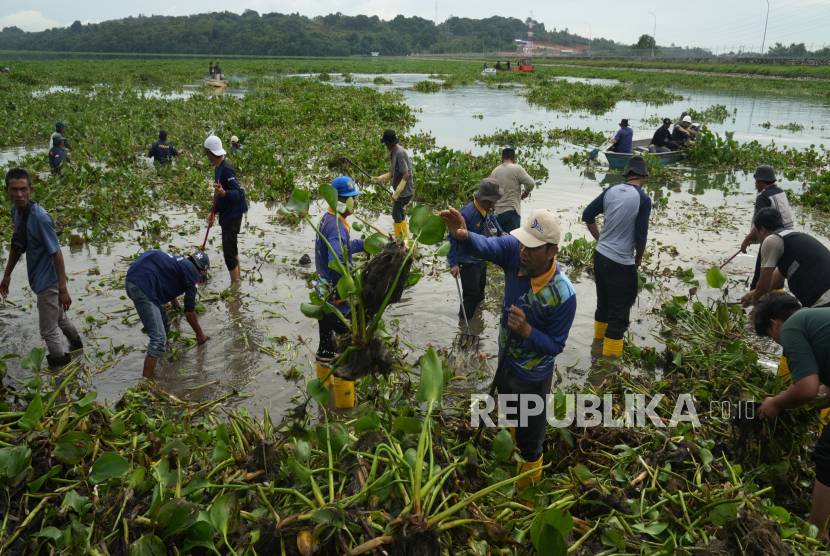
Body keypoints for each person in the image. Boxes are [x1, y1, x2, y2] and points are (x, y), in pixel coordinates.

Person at [440, 207, 576, 493]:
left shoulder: (563, 294)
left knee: (531, 443)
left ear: (552, 251)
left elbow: (556, 345)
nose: (524, 250)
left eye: (533, 247)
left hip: (533, 376)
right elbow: (488, 246)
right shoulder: (516, 252)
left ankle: (527, 498)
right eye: (523, 242)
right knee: (512, 416)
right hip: (506, 362)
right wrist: (463, 236)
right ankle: (513, 449)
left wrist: (528, 331)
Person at [754, 292, 830, 542]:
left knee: (827, 454)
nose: (779, 343)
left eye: (772, 338)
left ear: (775, 324)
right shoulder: (816, 317)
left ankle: (816, 533)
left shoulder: (792, 327)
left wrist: (776, 402)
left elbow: (806, 389)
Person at [1, 168, 83, 367]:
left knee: (48, 330)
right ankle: (78, 349)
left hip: (49, 281)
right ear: (7, 191)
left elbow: (57, 253)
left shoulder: (41, 217)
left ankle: (60, 371)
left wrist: (63, 289)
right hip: (40, 278)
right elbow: (18, 245)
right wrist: (7, 276)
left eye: (23, 189)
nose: (19, 194)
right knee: (61, 319)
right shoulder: (16, 212)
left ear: (31, 190)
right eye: (14, 190)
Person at [581, 155, 652, 358]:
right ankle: (607, 368)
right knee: (619, 317)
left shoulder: (611, 190)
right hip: (620, 262)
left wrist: (600, 239)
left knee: (603, 306)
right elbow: (640, 236)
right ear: (643, 176)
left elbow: (587, 215)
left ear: (627, 174)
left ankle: (597, 349)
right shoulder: (643, 199)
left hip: (600, 255)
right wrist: (639, 257)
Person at [315, 176, 365, 409]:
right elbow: (338, 264)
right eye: (353, 199)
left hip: (323, 297)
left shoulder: (328, 219)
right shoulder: (336, 227)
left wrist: (364, 244)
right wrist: (350, 291)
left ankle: (323, 400)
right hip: (338, 300)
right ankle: (344, 413)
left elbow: (343, 248)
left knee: (326, 347)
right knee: (345, 353)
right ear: (342, 200)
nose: (356, 203)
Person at [125, 250, 209, 379]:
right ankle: (146, 384)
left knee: (165, 323)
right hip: (142, 286)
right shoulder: (194, 275)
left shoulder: (180, 262)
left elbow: (169, 277)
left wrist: (175, 303)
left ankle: (159, 355)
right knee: (158, 339)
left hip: (132, 278)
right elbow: (189, 311)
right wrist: (199, 333)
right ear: (202, 271)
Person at [741, 208, 830, 309]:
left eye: (757, 234)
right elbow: (776, 277)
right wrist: (752, 294)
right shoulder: (791, 238)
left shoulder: (771, 240)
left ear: (762, 230)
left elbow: (763, 286)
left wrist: (755, 299)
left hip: (824, 300)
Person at [448, 178, 505, 319]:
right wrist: (454, 264)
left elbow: (493, 219)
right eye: (495, 199)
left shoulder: (488, 208)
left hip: (481, 257)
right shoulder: (467, 214)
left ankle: (477, 317)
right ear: (488, 199)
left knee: (480, 291)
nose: (496, 202)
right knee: (471, 295)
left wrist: (501, 232)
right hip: (467, 261)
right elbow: (452, 238)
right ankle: (464, 323)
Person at [740, 165, 794, 291]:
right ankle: (774, 303)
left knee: (760, 277)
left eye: (757, 181)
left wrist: (746, 240)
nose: (755, 183)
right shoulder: (780, 192)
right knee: (777, 276)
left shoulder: (763, 198)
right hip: (788, 237)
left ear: (761, 181)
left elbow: (761, 223)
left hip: (772, 239)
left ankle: (756, 302)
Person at [204, 136, 248, 285]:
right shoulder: (218, 169)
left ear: (209, 152)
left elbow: (236, 192)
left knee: (229, 253)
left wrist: (225, 193)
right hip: (228, 213)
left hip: (232, 215)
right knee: (232, 248)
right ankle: (239, 280)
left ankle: (235, 290)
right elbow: (218, 195)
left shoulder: (226, 169)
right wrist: (212, 212)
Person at [371, 129, 414, 239]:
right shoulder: (392, 153)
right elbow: (392, 173)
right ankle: (404, 238)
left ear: (388, 143)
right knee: (400, 214)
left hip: (405, 192)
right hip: (400, 192)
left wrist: (398, 192)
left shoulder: (400, 154)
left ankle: (400, 241)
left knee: (396, 214)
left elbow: (406, 175)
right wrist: (380, 179)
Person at [491, 148, 536, 233]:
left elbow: (491, 192)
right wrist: (525, 193)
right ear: (514, 160)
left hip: (498, 213)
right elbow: (531, 183)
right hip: (512, 211)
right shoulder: (517, 169)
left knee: (499, 243)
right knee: (513, 242)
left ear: (502, 159)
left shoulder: (494, 172)